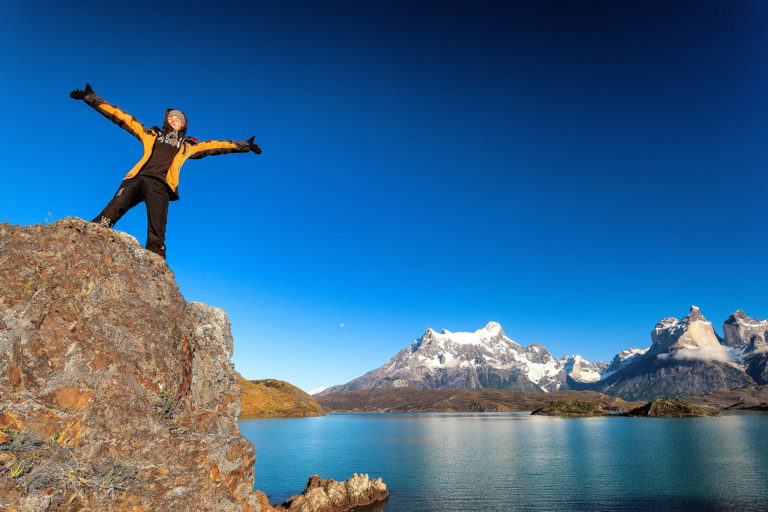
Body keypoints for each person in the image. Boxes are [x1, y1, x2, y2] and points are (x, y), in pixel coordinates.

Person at [69, 83, 262, 259]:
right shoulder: (150, 135)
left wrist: (244, 145)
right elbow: (122, 118)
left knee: (157, 225)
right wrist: (91, 98)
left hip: (161, 186)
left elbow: (216, 146)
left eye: (178, 119)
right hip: (138, 178)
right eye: (171, 118)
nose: (173, 120)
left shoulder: (188, 146)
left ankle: (155, 258)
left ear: (183, 125)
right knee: (117, 204)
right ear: (165, 120)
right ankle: (95, 231)